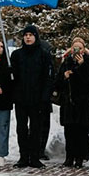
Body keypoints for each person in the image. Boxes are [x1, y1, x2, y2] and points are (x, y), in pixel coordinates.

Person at [10, 24, 53, 168]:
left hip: (37, 99)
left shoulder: (44, 55)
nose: (28, 37)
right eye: (26, 35)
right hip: (21, 98)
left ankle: (35, 157)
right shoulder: (16, 55)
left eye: (31, 35)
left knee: (36, 129)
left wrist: (45, 97)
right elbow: (13, 78)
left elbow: (48, 78)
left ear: (36, 37)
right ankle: (23, 156)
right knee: (21, 128)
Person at [55, 37, 89, 167]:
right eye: (74, 48)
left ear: (84, 50)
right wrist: (64, 76)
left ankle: (80, 156)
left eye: (80, 48)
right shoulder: (66, 62)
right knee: (69, 131)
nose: (77, 51)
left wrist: (82, 65)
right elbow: (58, 83)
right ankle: (69, 156)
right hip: (69, 101)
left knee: (81, 131)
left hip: (83, 102)